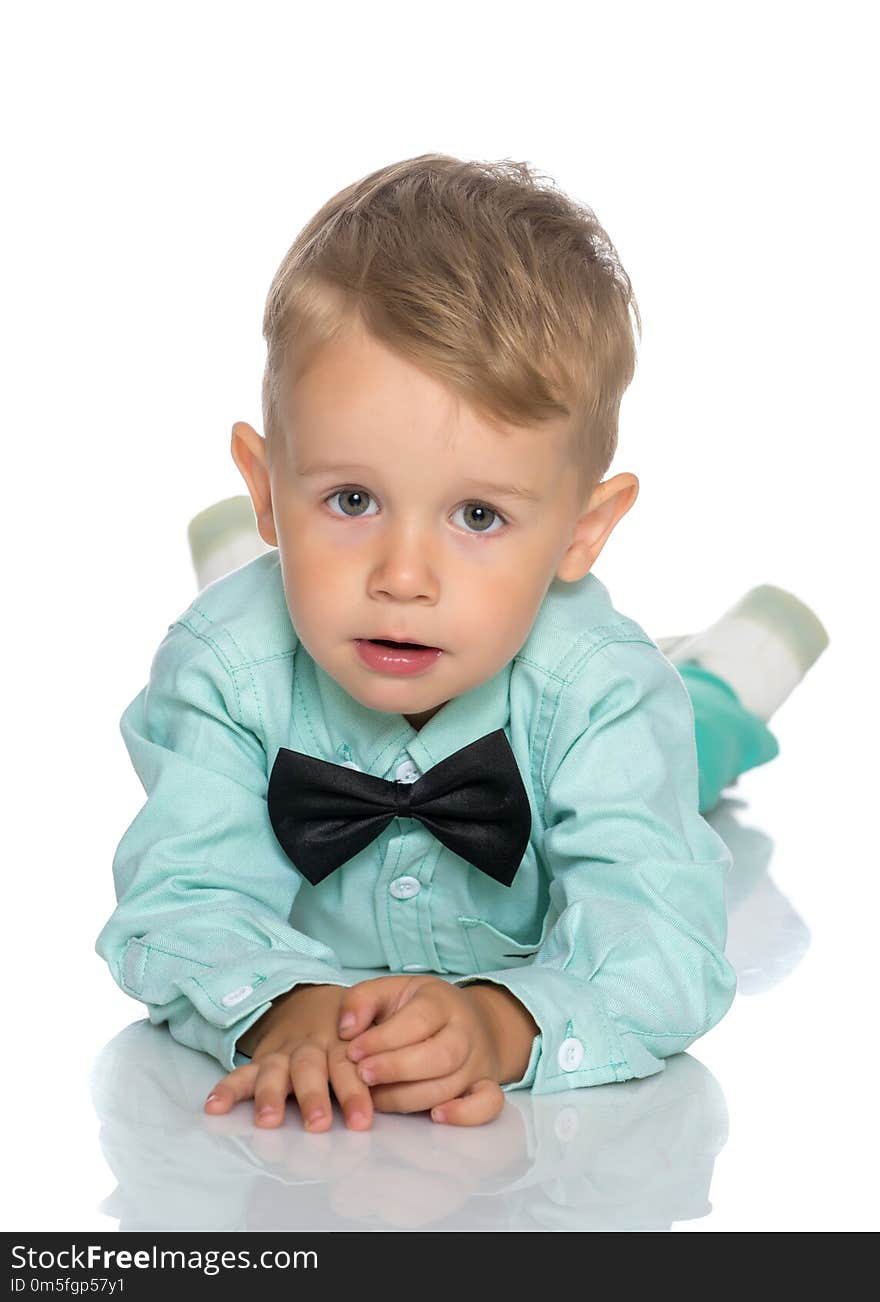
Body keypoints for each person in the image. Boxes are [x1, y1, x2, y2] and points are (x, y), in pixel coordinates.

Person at [95, 153, 829, 1133]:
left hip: (625, 700)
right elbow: (178, 902)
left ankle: (746, 650)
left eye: (477, 515)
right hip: (277, 620)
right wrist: (280, 1009)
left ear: (581, 530)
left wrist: (503, 1024)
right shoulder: (223, 672)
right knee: (253, 620)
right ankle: (251, 550)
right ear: (266, 482)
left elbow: (664, 948)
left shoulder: (600, 685)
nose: (406, 574)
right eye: (352, 499)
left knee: (697, 727)